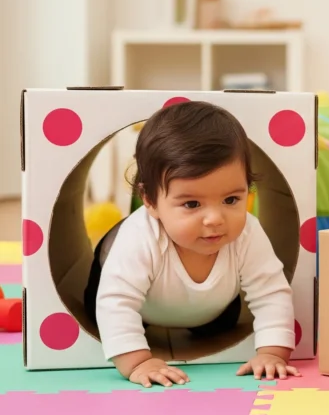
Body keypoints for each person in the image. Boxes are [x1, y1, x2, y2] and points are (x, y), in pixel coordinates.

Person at [85, 101, 300, 388]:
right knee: (102, 312)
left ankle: (208, 319)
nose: (215, 219)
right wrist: (136, 362)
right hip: (140, 302)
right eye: (192, 204)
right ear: (150, 200)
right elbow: (116, 301)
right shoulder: (139, 237)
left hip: (211, 307)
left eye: (231, 200)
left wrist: (272, 353)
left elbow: (271, 292)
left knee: (225, 322)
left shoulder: (247, 232)